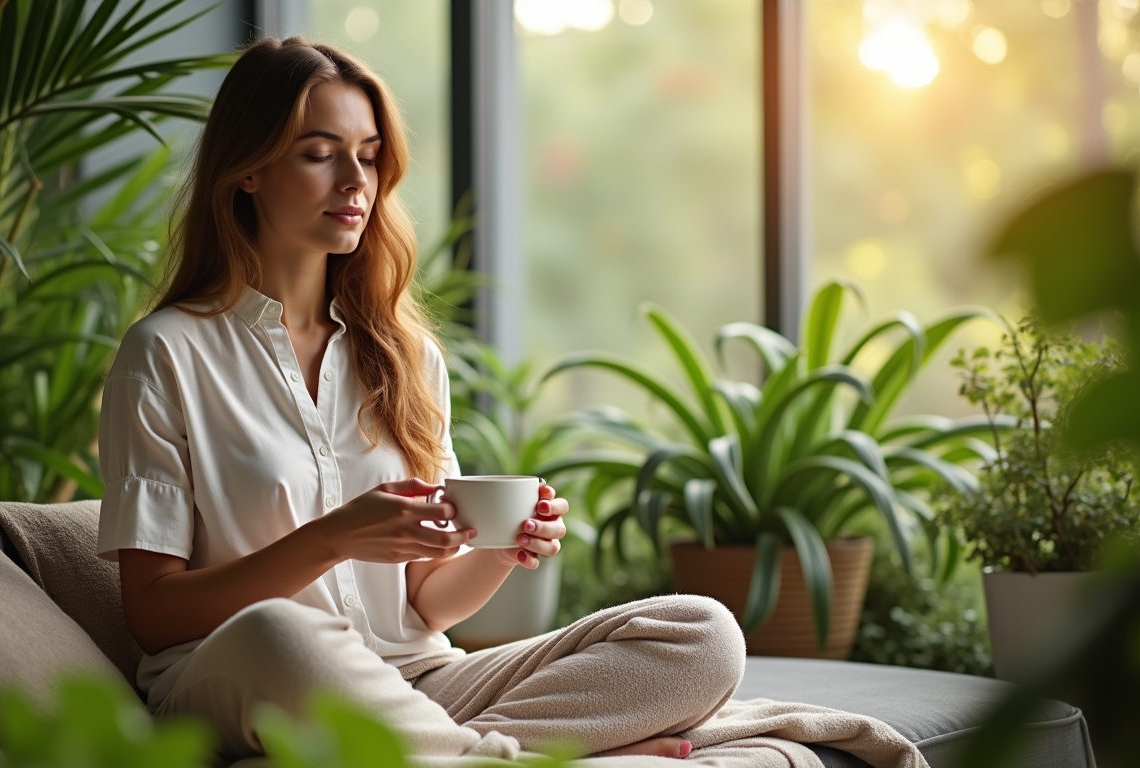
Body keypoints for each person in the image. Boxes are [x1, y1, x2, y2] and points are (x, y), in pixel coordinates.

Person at [95, 36, 745, 764]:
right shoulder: (163, 354)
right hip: (249, 677)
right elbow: (153, 616)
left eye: (369, 155)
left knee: (701, 634)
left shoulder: (406, 357)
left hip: (418, 682)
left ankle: (456, 754)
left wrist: (503, 548)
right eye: (320, 153)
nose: (355, 181)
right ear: (249, 171)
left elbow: (426, 601)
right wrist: (333, 536)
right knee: (282, 632)